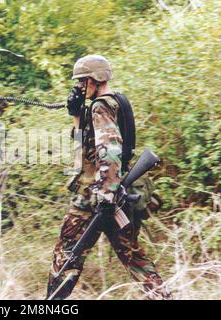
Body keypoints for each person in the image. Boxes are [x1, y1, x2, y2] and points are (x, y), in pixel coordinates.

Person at [46, 55, 171, 300]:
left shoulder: (100, 106)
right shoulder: (116, 101)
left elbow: (110, 149)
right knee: (134, 259)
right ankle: (163, 296)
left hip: (95, 196)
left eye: (83, 81)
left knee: (66, 255)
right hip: (113, 194)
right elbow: (87, 148)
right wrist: (75, 115)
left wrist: (105, 193)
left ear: (95, 80)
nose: (80, 87)